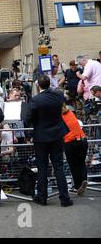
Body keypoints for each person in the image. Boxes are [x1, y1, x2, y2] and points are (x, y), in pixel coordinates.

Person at [26, 75, 73, 207]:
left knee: (42, 168)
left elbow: (28, 119)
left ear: (38, 85)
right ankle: (65, 198)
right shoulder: (58, 96)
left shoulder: (35, 100)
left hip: (41, 137)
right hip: (57, 135)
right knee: (58, 167)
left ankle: (42, 197)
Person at [62, 104, 88, 196]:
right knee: (81, 163)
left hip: (70, 143)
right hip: (82, 139)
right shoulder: (70, 113)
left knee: (73, 166)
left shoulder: (58, 117)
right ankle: (84, 180)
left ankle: (77, 186)